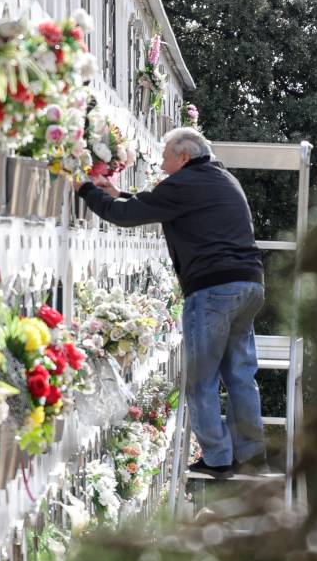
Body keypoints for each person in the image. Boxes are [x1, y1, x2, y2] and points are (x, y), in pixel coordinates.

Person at [75, 127, 266, 479]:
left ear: (184, 157)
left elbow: (127, 217)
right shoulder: (220, 178)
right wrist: (121, 193)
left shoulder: (186, 182)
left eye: (165, 156)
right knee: (240, 374)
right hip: (249, 284)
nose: (161, 163)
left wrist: (85, 190)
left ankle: (218, 459)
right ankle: (252, 455)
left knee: (202, 380)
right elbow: (157, 204)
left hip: (212, 289)